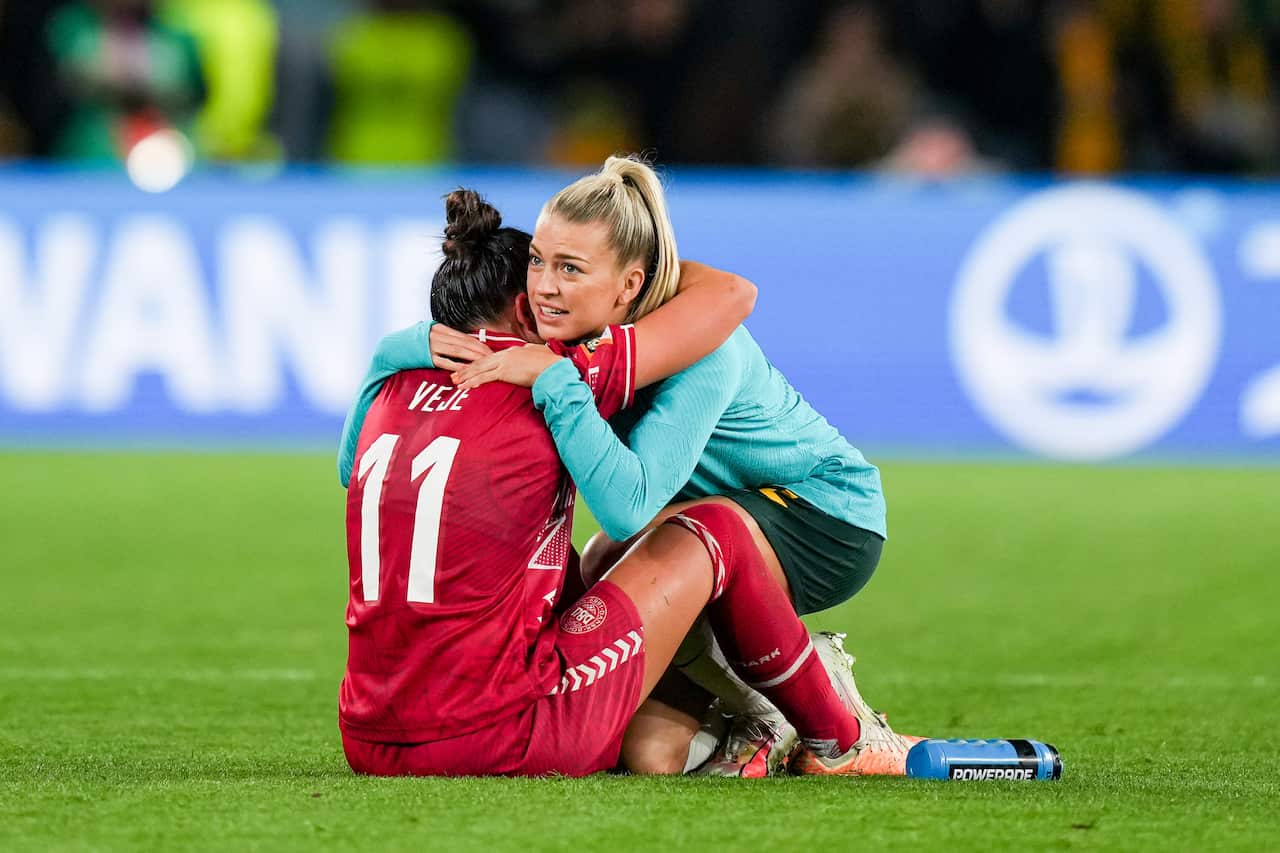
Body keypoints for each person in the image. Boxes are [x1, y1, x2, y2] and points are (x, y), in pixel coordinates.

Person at [340, 155, 920, 777]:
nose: (543, 285)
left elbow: (631, 501)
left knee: (703, 532)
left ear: (628, 286)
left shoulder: (695, 349)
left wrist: (555, 381)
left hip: (819, 514)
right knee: (643, 727)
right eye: (537, 260)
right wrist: (398, 348)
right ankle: (743, 711)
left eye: (570, 268)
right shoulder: (566, 343)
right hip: (686, 511)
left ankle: (833, 729)